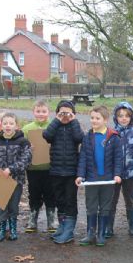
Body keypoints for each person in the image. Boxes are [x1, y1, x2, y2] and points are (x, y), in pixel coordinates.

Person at [76, 105, 122, 247]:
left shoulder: (114, 137)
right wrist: (80, 175)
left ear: (105, 120)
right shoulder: (87, 137)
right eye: (92, 118)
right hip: (91, 179)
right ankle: (90, 234)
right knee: (91, 206)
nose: (94, 121)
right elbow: (83, 158)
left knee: (105, 207)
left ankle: (101, 234)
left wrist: (117, 174)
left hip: (108, 180)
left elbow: (118, 158)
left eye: (97, 118)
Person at [0, 112, 32, 242]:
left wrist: (11, 169)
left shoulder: (23, 142)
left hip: (15, 180)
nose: (8, 126)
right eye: (5, 123)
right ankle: (2, 229)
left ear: (16, 126)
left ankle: (13, 229)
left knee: (13, 205)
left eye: (11, 123)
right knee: (0, 206)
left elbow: (26, 159)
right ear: (0, 125)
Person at [43, 100, 84, 244]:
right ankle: (62, 226)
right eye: (62, 112)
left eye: (68, 113)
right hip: (56, 170)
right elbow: (47, 136)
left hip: (71, 172)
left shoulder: (74, 126)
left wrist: (73, 121)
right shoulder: (55, 127)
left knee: (70, 201)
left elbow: (80, 138)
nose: (65, 115)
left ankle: (69, 231)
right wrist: (57, 120)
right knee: (59, 200)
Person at [21, 100, 58, 233]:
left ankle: (51, 220)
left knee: (50, 193)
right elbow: (20, 146)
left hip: (50, 168)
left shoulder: (54, 127)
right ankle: (33, 219)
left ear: (49, 112)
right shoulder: (26, 129)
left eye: (44, 111)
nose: (41, 114)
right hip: (33, 169)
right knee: (34, 193)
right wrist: (28, 147)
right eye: (38, 111)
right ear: (33, 112)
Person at [107, 102, 133, 239]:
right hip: (114, 174)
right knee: (111, 200)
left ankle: (132, 226)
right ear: (116, 117)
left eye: (127, 116)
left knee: (131, 200)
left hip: (130, 174)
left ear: (131, 117)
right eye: (120, 116)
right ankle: (109, 227)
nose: (124, 118)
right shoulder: (111, 133)